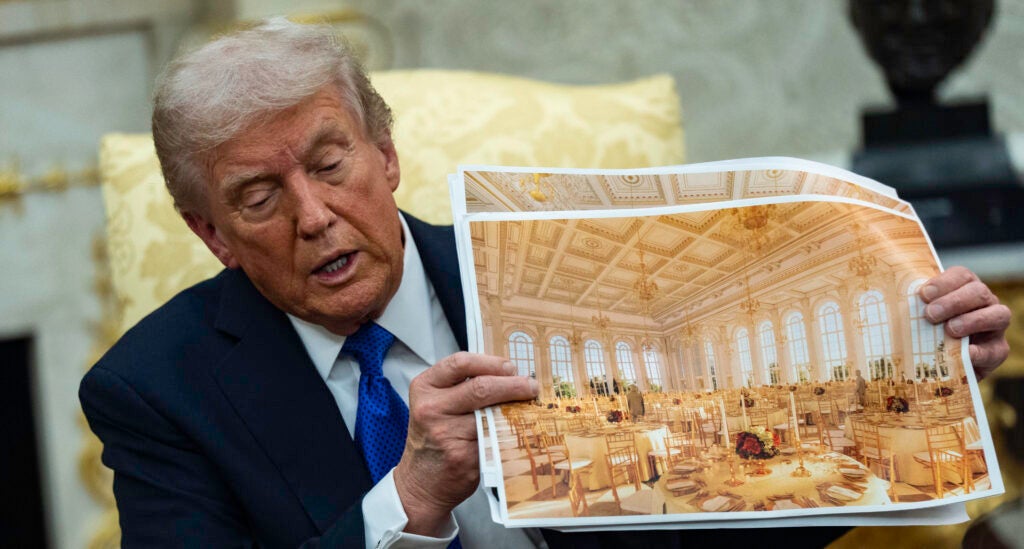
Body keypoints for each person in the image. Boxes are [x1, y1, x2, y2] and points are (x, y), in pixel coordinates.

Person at [79, 19, 1012, 549]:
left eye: (330, 165)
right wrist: (407, 500)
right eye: (258, 198)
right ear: (211, 234)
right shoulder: (155, 391)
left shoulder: (556, 275)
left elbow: (723, 510)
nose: (314, 215)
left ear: (386, 155)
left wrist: (921, 374)